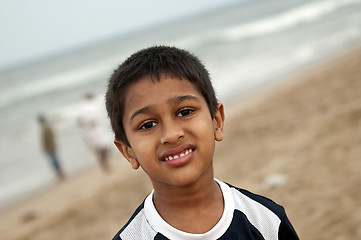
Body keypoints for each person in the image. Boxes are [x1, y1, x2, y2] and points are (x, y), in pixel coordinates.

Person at [105, 46, 299, 240]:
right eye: (148, 124)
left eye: (185, 112)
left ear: (216, 121)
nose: (171, 135)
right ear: (128, 151)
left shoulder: (266, 220)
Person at [78, 92, 111, 172]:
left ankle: (104, 164)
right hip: (93, 131)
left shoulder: (86, 107)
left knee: (102, 148)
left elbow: (81, 121)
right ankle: (104, 164)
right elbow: (88, 120)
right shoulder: (87, 107)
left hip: (93, 131)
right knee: (102, 148)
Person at [38, 114, 65, 181]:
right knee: (55, 161)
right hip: (51, 147)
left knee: (54, 162)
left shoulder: (45, 128)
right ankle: (60, 174)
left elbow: (47, 140)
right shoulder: (47, 127)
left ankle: (60, 174)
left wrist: (47, 148)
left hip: (50, 148)